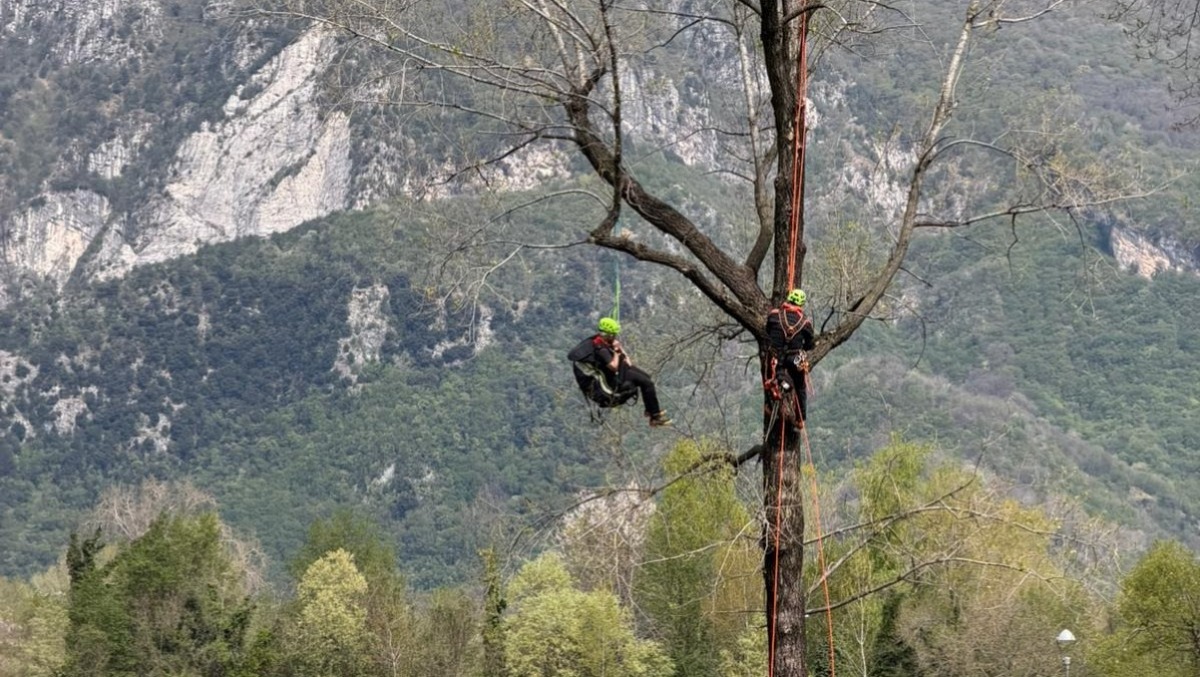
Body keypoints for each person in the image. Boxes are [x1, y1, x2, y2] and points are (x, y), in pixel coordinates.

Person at [568, 317, 671, 426]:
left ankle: (650, 411)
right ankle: (654, 416)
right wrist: (617, 352)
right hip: (616, 377)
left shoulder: (604, 342)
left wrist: (620, 348)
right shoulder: (601, 349)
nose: (615, 337)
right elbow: (613, 366)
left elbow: (628, 362)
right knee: (647, 383)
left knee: (647, 379)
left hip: (623, 370)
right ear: (608, 335)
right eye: (613, 335)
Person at [766, 288, 815, 424]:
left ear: (788, 300)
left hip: (776, 357)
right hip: (795, 358)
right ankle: (800, 419)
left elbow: (768, 332)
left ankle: (780, 386)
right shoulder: (805, 323)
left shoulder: (773, 315)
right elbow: (810, 345)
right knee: (800, 386)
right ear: (801, 304)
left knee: (772, 375)